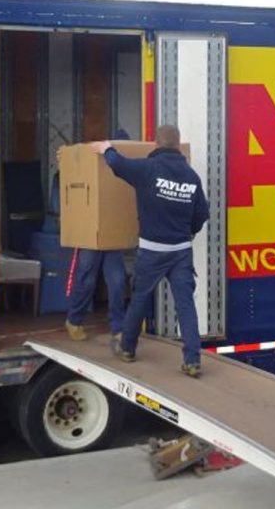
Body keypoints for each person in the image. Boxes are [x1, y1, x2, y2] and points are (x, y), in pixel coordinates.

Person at [91, 125, 209, 378]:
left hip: (152, 250)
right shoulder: (191, 176)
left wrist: (106, 148)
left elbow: (119, 165)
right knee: (185, 305)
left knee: (140, 299)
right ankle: (192, 361)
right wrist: (189, 231)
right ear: (178, 145)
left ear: (156, 144)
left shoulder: (148, 169)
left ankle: (127, 348)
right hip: (180, 251)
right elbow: (202, 214)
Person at [64, 129, 131, 342]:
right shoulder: (93, 161)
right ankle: (74, 320)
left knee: (117, 281)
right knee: (86, 279)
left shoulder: (126, 168)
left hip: (112, 236)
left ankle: (118, 327)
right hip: (91, 235)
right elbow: (70, 164)